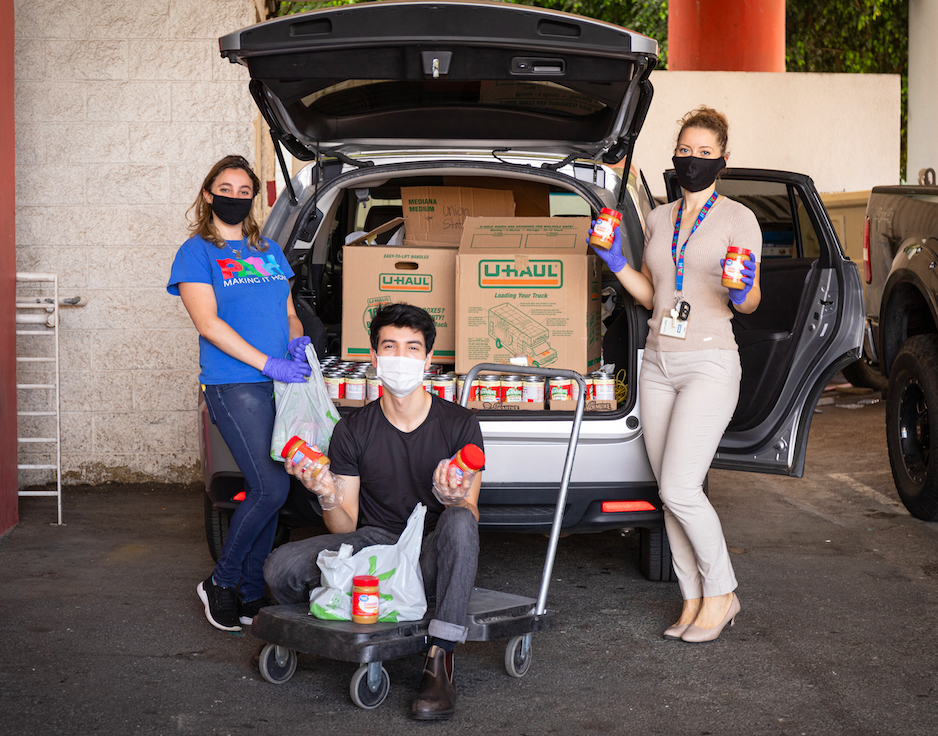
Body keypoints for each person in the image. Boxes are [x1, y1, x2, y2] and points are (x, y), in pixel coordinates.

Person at [590, 106, 762, 643]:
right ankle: (692, 600)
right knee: (668, 491)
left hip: (710, 360)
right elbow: (652, 293)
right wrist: (616, 261)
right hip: (658, 361)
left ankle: (723, 592)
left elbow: (751, 302)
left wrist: (741, 289)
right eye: (685, 150)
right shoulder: (661, 218)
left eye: (704, 153)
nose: (692, 160)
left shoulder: (738, 218)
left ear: (723, 161)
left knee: (683, 487)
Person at [264, 303, 483, 721]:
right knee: (280, 567)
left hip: (431, 554)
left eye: (412, 348)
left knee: (459, 519)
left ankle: (440, 658)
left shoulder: (460, 425)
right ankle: (336, 607)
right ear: (374, 356)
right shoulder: (352, 429)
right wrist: (326, 493)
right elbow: (344, 523)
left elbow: (469, 513)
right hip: (376, 546)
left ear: (428, 359)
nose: (401, 358)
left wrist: (451, 495)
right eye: (391, 346)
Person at [168, 155, 312, 633]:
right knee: (270, 486)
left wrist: (294, 341)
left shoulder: (267, 247)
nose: (234, 196)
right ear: (208, 194)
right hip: (235, 382)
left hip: (279, 382)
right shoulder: (196, 252)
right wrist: (265, 362)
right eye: (224, 188)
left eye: (243, 188)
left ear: (254, 196)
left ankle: (251, 593)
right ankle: (221, 580)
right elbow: (208, 323)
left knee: (274, 488)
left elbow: (289, 308)